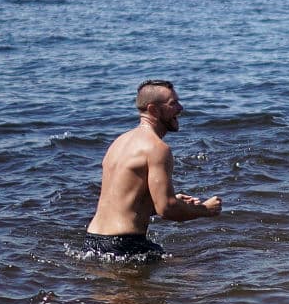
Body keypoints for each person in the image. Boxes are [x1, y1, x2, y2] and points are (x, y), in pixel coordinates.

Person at [85, 80, 222, 260]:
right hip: (124, 244)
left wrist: (160, 203)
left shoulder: (119, 142)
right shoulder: (157, 148)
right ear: (153, 110)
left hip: (93, 240)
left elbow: (122, 204)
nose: (181, 108)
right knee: (197, 273)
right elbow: (167, 209)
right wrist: (206, 209)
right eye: (173, 103)